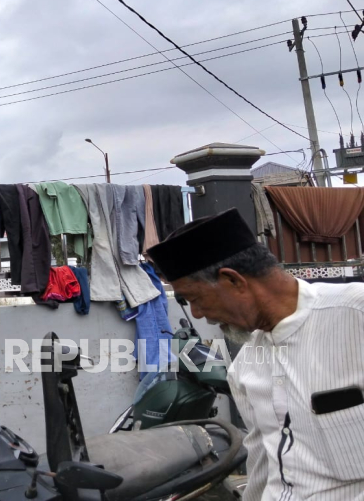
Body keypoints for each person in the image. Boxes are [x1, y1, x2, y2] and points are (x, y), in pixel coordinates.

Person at [146, 207, 364, 501]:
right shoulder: (245, 366)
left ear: (233, 280)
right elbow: (262, 462)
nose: (199, 315)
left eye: (195, 299)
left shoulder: (355, 313)